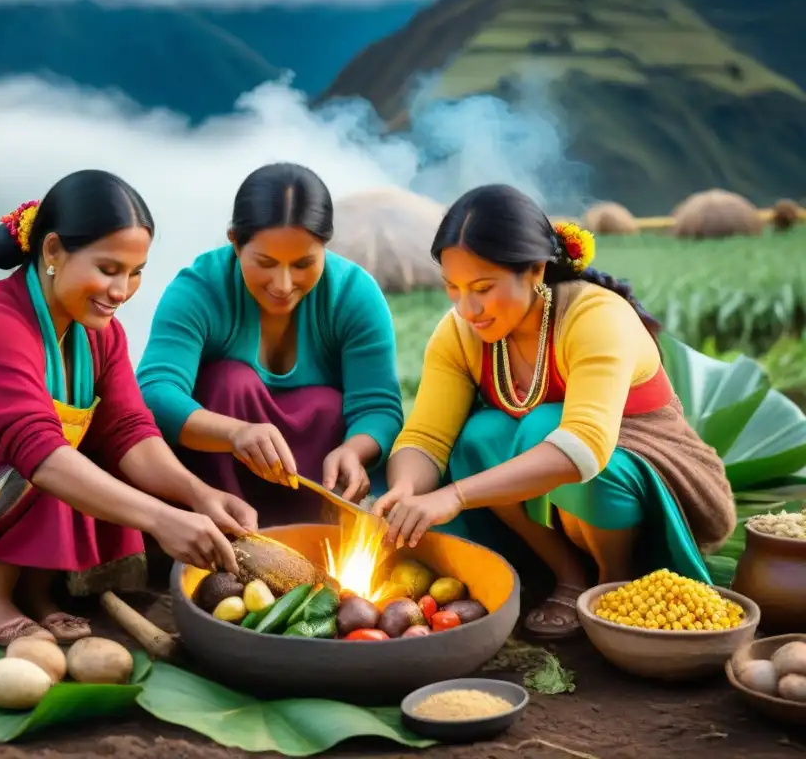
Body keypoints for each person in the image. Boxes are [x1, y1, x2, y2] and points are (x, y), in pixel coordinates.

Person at [0, 170, 258, 647]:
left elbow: (129, 430)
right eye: (108, 269)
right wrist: (161, 519)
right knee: (48, 452)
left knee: (95, 441)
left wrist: (197, 493)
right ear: (54, 251)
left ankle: (34, 590)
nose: (121, 291)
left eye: (135, 272)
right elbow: (38, 454)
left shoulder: (101, 334)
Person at [372, 184, 737, 640]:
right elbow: (427, 436)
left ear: (535, 271)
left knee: (546, 425)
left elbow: (583, 446)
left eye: (483, 288)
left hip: (653, 471)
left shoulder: (594, 316)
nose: (468, 308)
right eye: (454, 288)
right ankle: (566, 575)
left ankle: (614, 578)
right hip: (554, 483)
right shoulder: (460, 333)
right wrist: (405, 490)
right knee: (480, 435)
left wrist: (455, 496)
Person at [136, 163, 403, 527]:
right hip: (217, 473)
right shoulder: (200, 289)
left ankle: (314, 534)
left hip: (316, 478)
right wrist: (234, 433)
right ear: (234, 240)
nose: (283, 283)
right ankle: (226, 531)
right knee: (229, 381)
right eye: (266, 263)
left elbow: (379, 405)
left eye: (304, 264)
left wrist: (353, 450)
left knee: (327, 405)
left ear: (326, 245)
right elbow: (155, 391)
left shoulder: (354, 294)